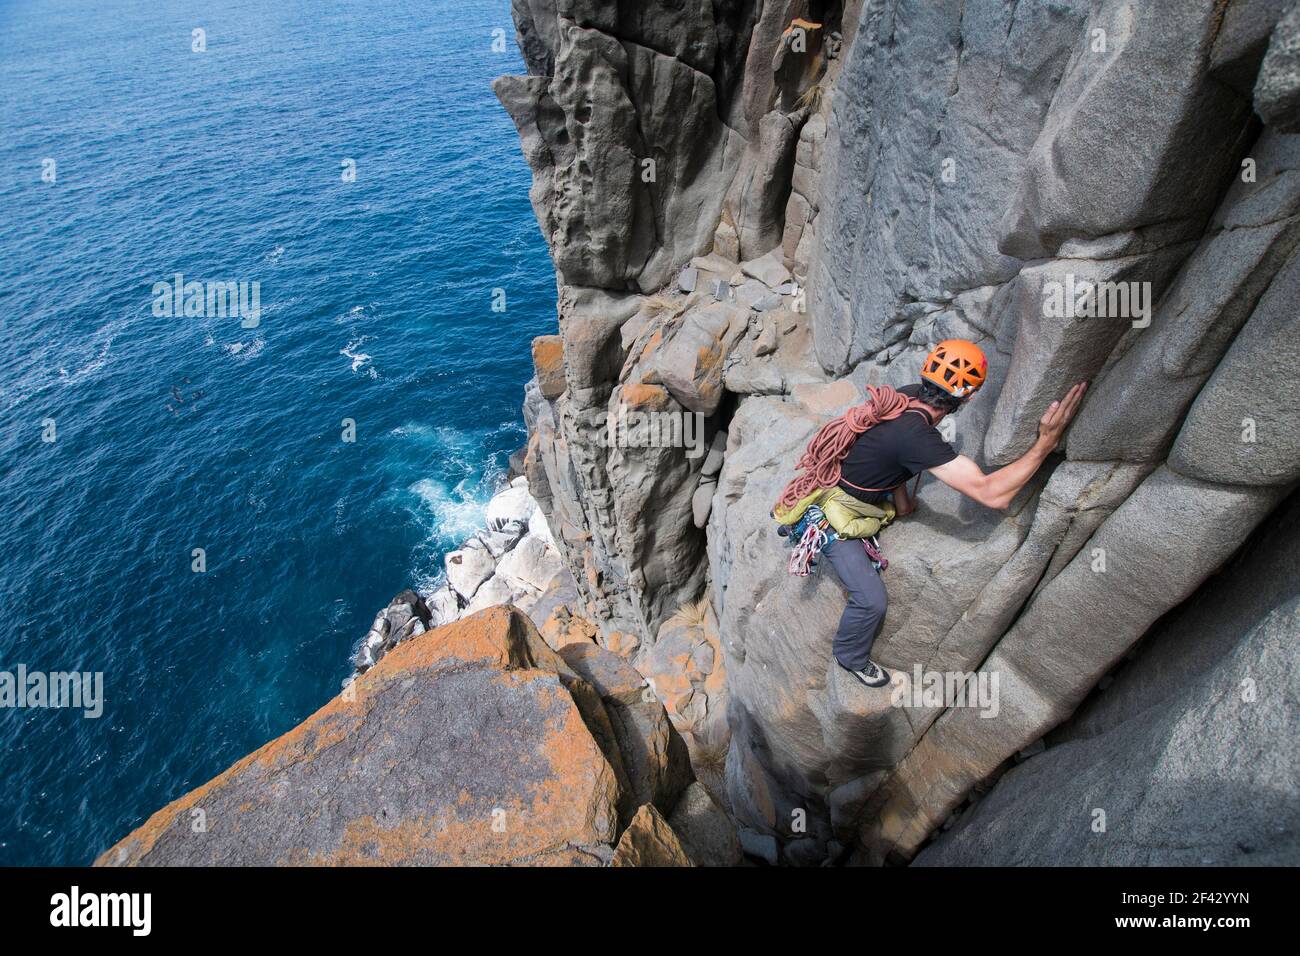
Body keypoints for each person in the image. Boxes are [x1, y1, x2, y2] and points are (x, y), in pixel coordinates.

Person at [778, 339, 1087, 688]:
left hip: (846, 484)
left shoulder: (907, 396)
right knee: (871, 602)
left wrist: (901, 500)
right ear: (968, 397)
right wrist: (1045, 443)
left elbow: (889, 453)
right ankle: (849, 657)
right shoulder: (916, 437)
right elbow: (993, 494)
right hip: (830, 515)